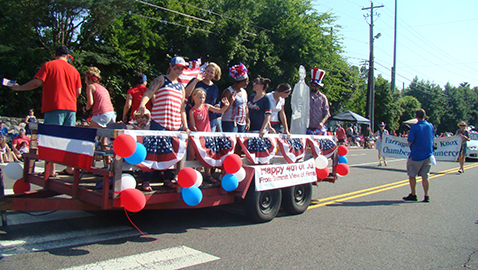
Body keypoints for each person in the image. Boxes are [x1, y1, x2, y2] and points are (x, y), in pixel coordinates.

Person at [10, 45, 81, 177]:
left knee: (51, 138)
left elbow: (37, 82)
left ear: (55, 54)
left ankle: (51, 170)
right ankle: (70, 168)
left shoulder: (49, 65)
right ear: (67, 56)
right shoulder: (74, 71)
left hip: (54, 105)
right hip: (71, 108)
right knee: (69, 139)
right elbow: (78, 92)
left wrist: (19, 88)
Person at [137, 56, 190, 191]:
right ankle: (146, 181)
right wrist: (143, 105)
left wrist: (185, 125)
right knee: (152, 152)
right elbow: (149, 93)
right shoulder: (161, 79)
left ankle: (167, 178)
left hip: (174, 124)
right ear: (171, 66)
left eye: (181, 68)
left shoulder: (181, 87)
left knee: (170, 153)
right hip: (159, 121)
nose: (179, 70)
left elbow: (182, 108)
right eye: (176, 67)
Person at [189, 88, 230, 183]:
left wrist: (226, 105)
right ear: (194, 97)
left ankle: (207, 174)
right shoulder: (192, 111)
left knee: (207, 155)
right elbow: (193, 125)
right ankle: (191, 173)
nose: (201, 99)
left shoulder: (206, 106)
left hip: (207, 136)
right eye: (199, 97)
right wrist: (198, 133)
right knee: (192, 155)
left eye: (203, 97)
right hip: (196, 137)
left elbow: (220, 111)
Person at [403, 109, 434, 202]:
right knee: (425, 176)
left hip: (416, 154)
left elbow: (410, 140)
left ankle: (413, 194)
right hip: (428, 154)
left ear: (416, 117)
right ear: (425, 116)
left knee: (412, 174)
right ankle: (426, 195)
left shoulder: (415, 127)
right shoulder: (430, 126)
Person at [185, 62, 222, 132]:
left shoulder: (215, 87)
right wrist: (196, 80)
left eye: (211, 72)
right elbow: (186, 94)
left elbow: (215, 102)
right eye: (207, 71)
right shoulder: (196, 81)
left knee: (207, 142)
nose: (208, 73)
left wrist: (217, 106)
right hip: (194, 118)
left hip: (210, 121)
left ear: (214, 75)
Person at [221, 63, 249, 133]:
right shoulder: (228, 91)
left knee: (240, 143)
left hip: (242, 122)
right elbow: (222, 109)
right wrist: (231, 101)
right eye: (247, 81)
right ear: (243, 82)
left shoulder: (244, 92)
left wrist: (247, 120)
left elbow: (245, 107)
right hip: (230, 121)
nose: (248, 83)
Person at [307, 68, 330, 135]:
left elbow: (327, 113)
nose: (314, 88)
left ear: (319, 86)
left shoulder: (323, 98)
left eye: (316, 86)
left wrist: (322, 123)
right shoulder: (305, 95)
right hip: (307, 127)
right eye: (312, 85)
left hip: (318, 128)